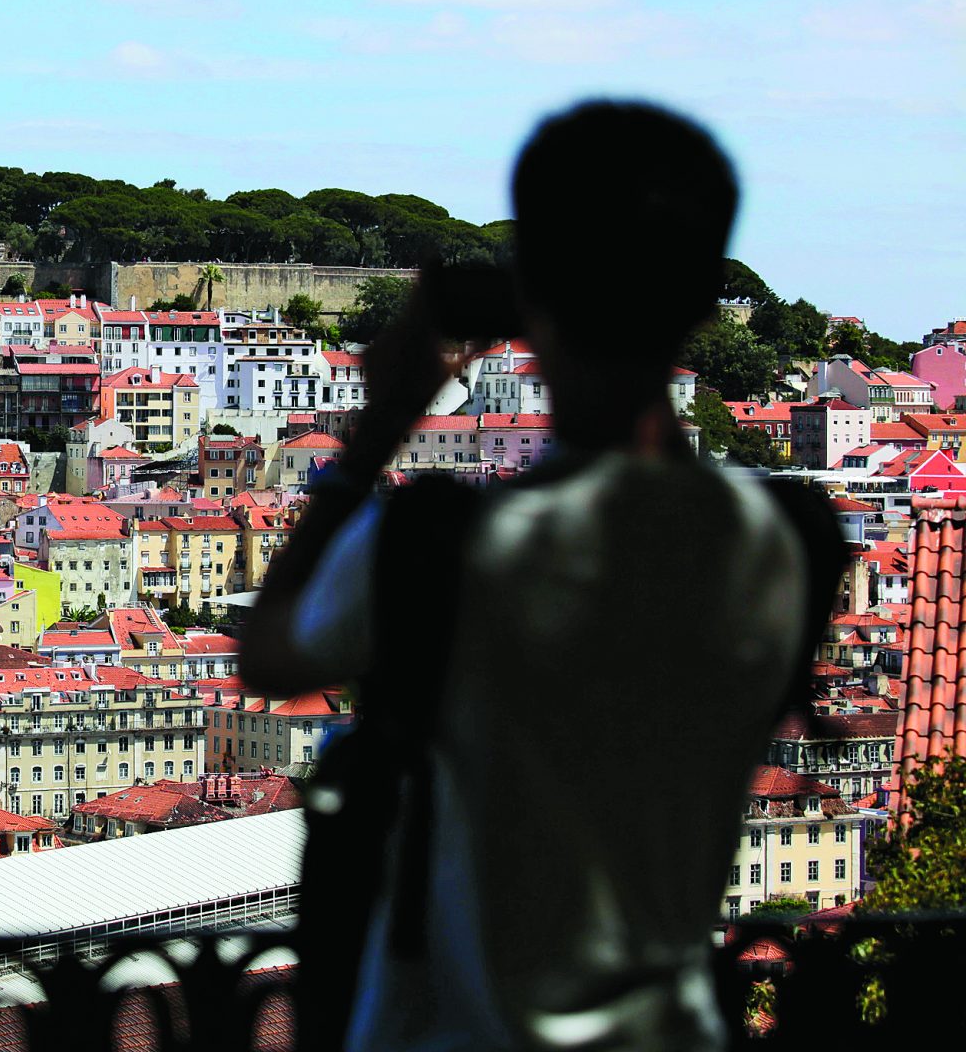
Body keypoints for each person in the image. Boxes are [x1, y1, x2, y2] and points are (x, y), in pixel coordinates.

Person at [245, 100, 833, 1050]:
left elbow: (270, 656)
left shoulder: (451, 544)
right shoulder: (786, 541)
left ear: (533, 297)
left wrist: (374, 435)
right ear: (700, 301)